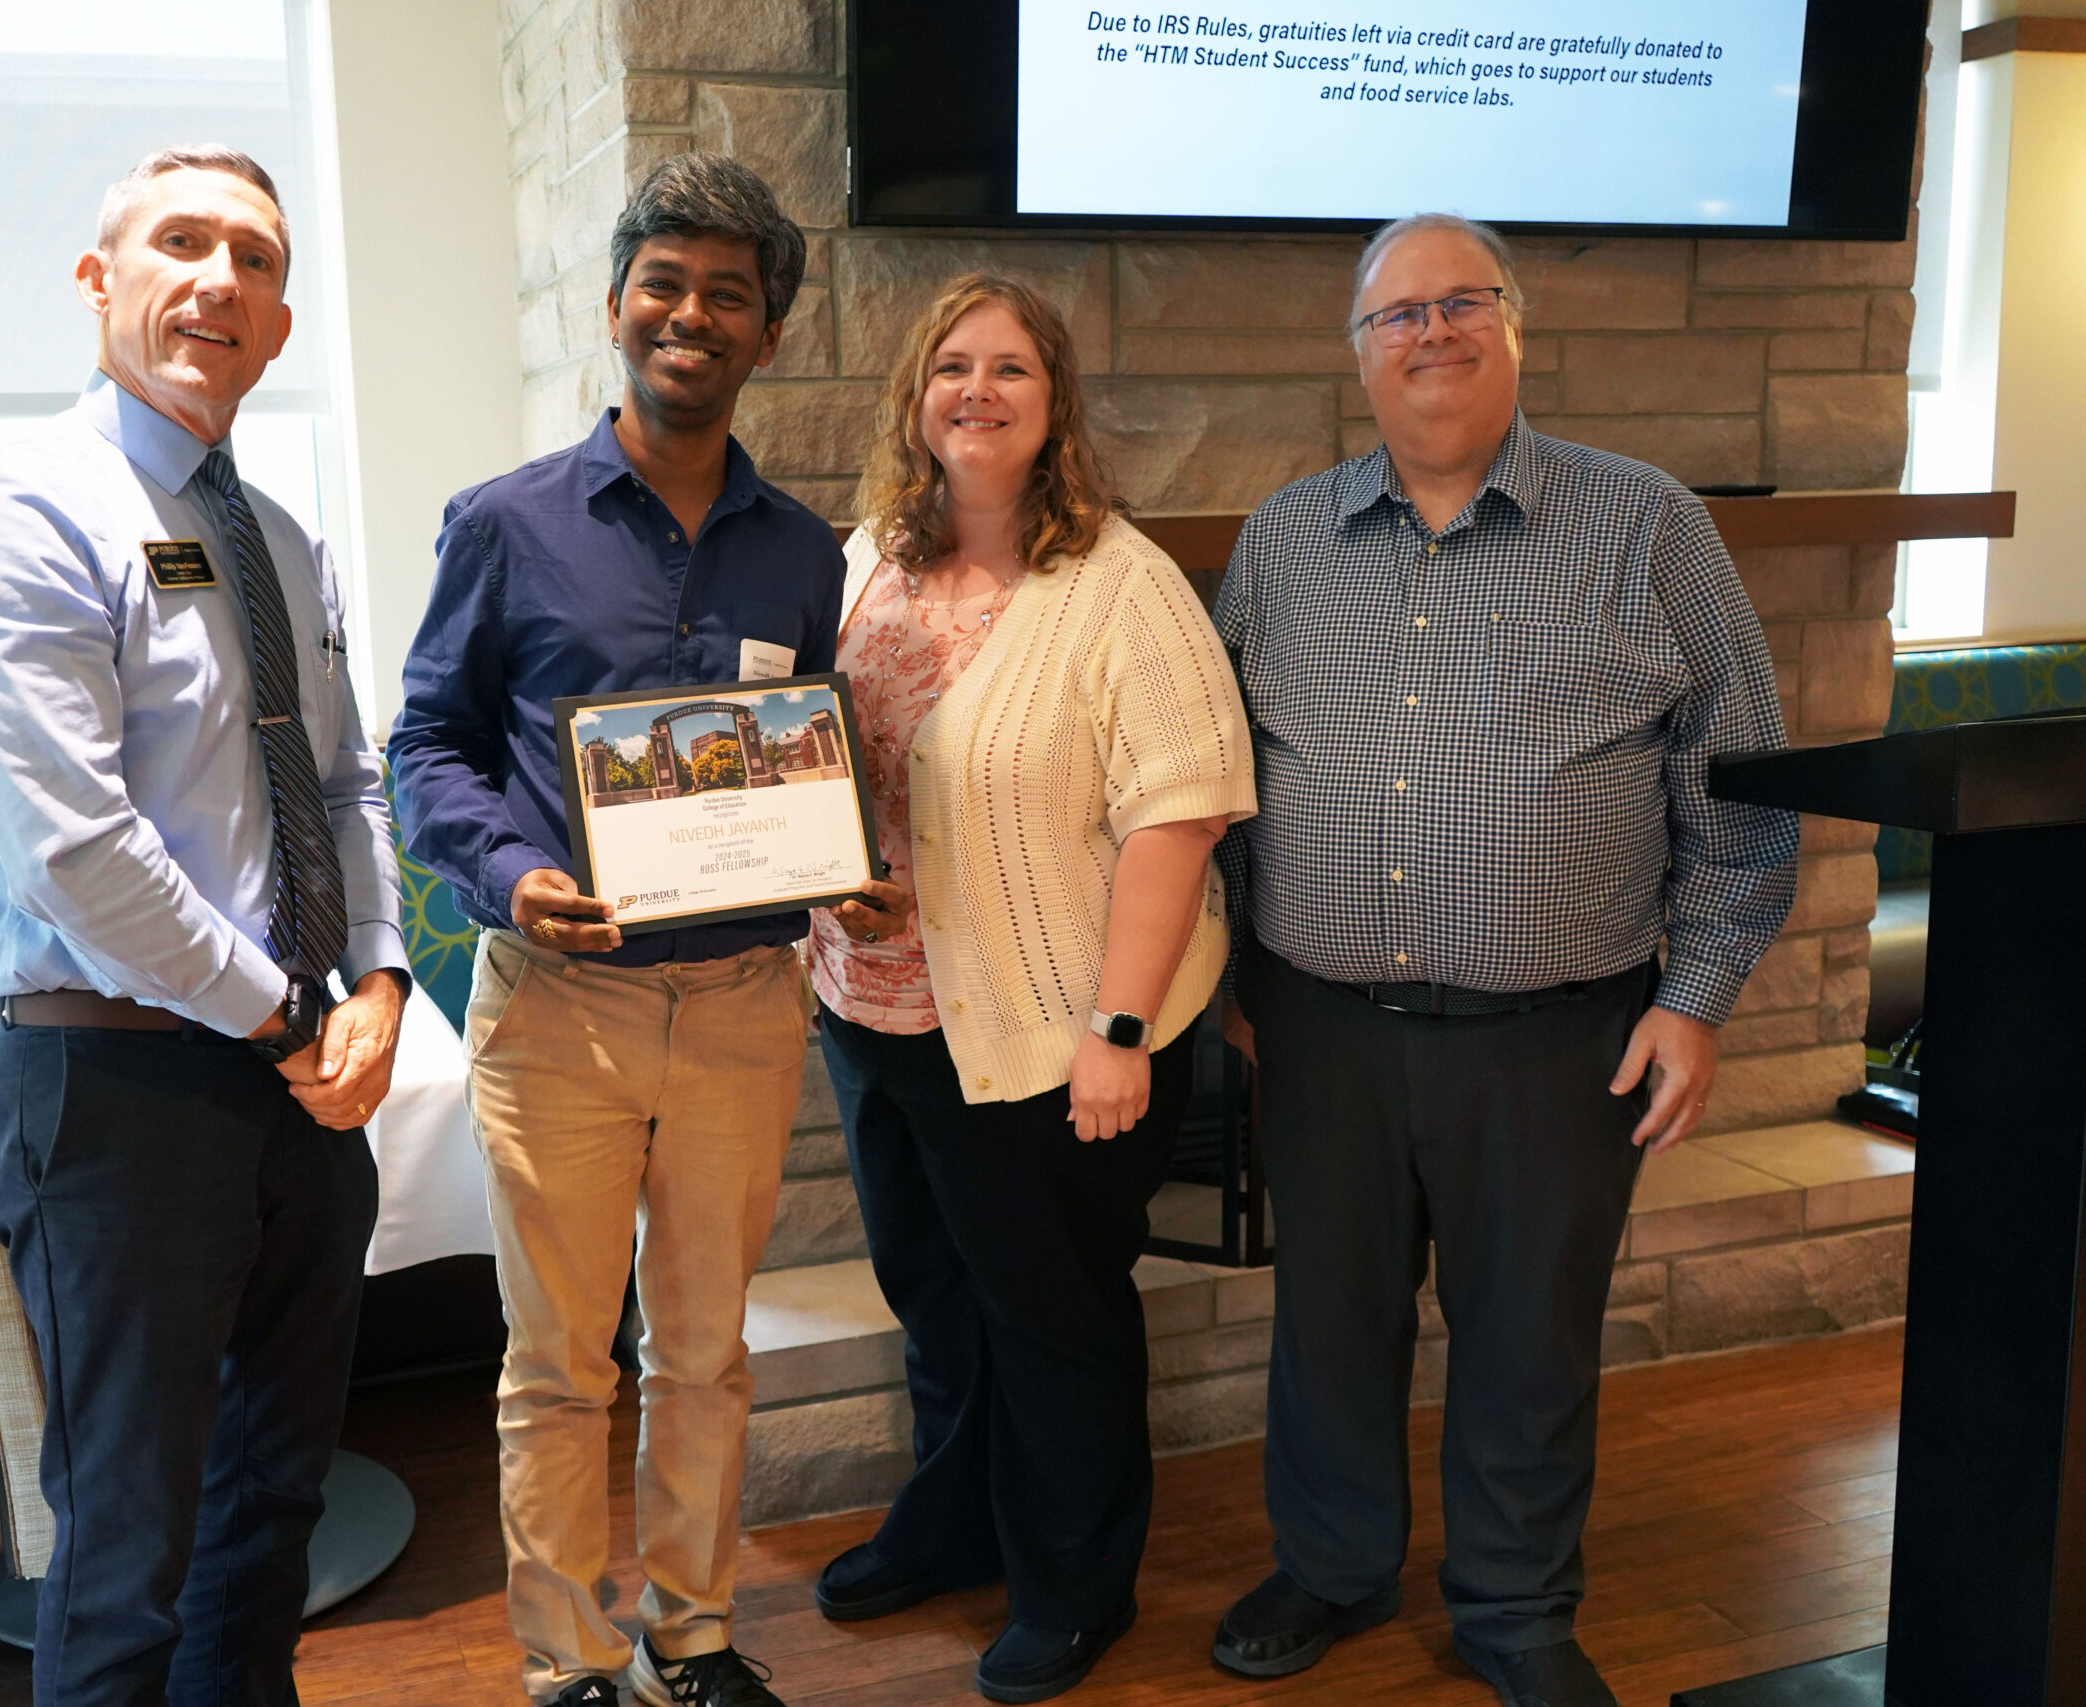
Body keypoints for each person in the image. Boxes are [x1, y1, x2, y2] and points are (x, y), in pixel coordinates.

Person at [1207, 213, 1800, 1707]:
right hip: (1320, 1023)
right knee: (1328, 1319)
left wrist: (1697, 998)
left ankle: (1518, 1605)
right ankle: (1335, 1566)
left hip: (1561, 1033)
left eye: (1462, 301)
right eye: (1396, 313)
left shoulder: (1649, 525)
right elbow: (1205, 780)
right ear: (1357, 355)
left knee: (1530, 1333)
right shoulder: (1281, 543)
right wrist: (1220, 983)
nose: (1430, 333)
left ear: (1516, 329)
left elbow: (1741, 778)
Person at [0, 146, 409, 1706]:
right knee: (127, 1548)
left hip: (302, 1080)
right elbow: (79, 855)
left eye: (255, 260)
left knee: (274, 1505)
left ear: (277, 325)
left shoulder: (278, 534)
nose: (220, 281)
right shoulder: (20, 516)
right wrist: (287, 1013)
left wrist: (385, 976)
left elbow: (345, 779)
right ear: (99, 281)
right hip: (118, 1091)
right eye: (180, 243)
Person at [389, 153, 882, 1707]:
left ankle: (696, 1627)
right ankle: (569, 1662)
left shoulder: (805, 553)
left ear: (770, 334)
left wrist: (836, 862)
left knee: (707, 1351)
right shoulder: (506, 524)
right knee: (557, 1364)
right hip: (558, 1003)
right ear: (616, 307)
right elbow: (427, 747)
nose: (691, 314)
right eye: (664, 283)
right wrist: (505, 870)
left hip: (743, 998)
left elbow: (801, 757)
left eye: (728, 294)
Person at [804, 274, 1256, 1704]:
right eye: (951, 366)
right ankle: (955, 1528)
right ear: (914, 400)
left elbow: (1176, 819)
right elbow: (812, 763)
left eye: (1011, 368)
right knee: (938, 1300)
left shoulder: (1121, 587)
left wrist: (1117, 1033)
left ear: (1055, 404)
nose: (977, 392)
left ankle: (1073, 1584)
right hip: (873, 1007)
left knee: (1052, 1317)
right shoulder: (862, 557)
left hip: (1054, 1029)